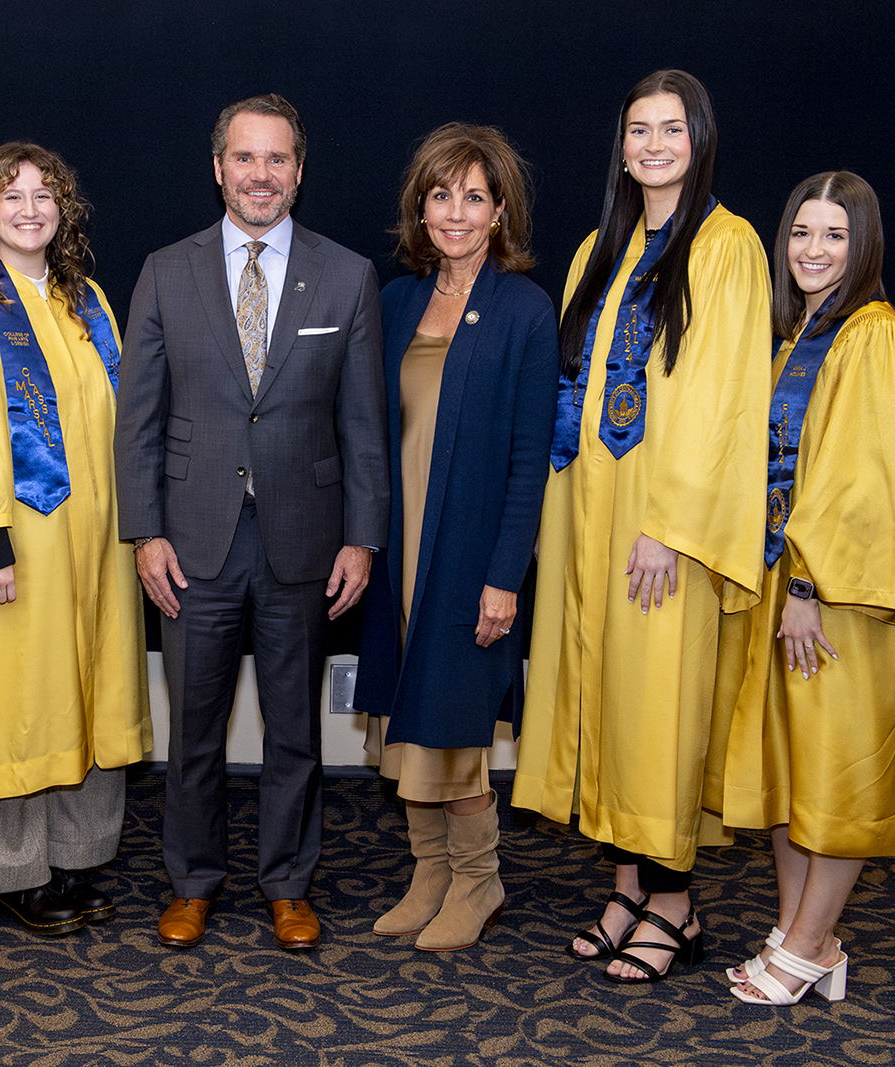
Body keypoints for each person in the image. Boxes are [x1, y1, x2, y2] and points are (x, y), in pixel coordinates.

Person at [510, 69, 772, 983]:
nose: (652, 146)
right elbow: (568, 386)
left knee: (655, 706)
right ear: (620, 144)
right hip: (588, 508)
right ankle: (626, 885)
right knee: (603, 698)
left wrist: (672, 523)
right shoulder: (601, 247)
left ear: (698, 141)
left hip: (664, 523)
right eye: (637, 130)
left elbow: (721, 400)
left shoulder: (728, 246)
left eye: (670, 130)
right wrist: (546, 510)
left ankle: (675, 905)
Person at [115, 93, 388, 950]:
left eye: (277, 159)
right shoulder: (166, 270)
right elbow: (140, 420)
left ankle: (287, 885)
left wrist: (363, 535)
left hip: (305, 543)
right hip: (191, 544)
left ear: (298, 171)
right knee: (192, 732)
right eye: (245, 158)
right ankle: (191, 883)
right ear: (219, 167)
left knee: (294, 731)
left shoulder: (347, 276)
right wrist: (145, 531)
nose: (260, 175)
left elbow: (363, 423)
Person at [707, 172, 895, 1005]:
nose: (813, 250)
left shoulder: (872, 338)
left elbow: (862, 484)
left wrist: (809, 583)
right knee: (792, 767)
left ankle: (811, 940)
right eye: (802, 234)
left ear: (865, 245)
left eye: (835, 236)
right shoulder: (799, 331)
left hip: (844, 595)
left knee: (837, 771)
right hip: (793, 589)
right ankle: (801, 934)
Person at [0, 143, 151, 936]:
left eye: (46, 194)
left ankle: (75, 856)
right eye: (11, 196)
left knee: (83, 689)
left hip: (93, 544)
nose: (30, 208)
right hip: (7, 544)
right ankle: (9, 870)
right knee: (11, 697)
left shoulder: (88, 301)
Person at [354, 123, 559, 952]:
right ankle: (429, 870)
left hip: (468, 554)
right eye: (441, 195)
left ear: (500, 209)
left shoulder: (523, 309)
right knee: (408, 716)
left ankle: (479, 879)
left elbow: (527, 458)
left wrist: (504, 574)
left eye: (474, 196)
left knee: (454, 727)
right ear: (421, 206)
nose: (456, 212)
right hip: (398, 546)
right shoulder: (397, 301)